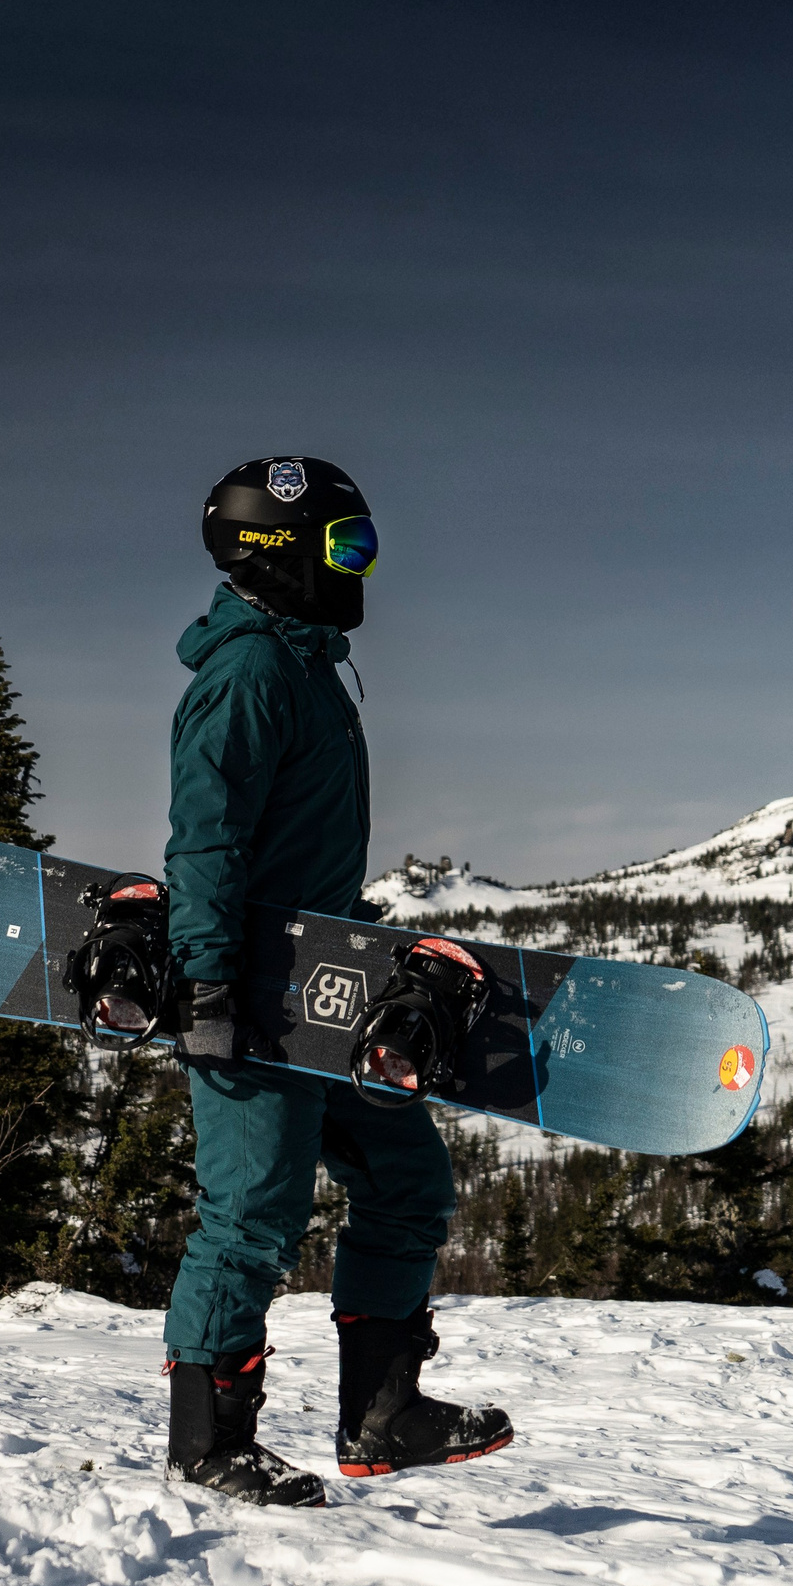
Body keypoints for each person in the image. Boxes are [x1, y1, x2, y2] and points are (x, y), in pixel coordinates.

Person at [161, 454, 514, 1508]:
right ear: (275, 550)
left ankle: (382, 1416)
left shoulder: (306, 668)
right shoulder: (250, 675)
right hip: (249, 992)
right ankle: (206, 1441)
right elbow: (206, 844)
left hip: (321, 984)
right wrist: (207, 986)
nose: (359, 568)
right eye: (345, 546)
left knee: (408, 1182)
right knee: (253, 1212)